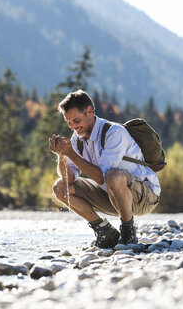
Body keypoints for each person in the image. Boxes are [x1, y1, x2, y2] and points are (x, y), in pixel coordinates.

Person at [49, 90, 160, 248]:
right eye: (69, 123)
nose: (73, 127)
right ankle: (104, 231)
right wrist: (62, 155)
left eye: (76, 120)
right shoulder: (77, 139)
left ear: (89, 111)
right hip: (111, 196)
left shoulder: (114, 132)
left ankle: (128, 231)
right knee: (59, 187)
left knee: (113, 176)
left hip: (144, 197)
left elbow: (102, 177)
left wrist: (71, 154)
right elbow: (68, 180)